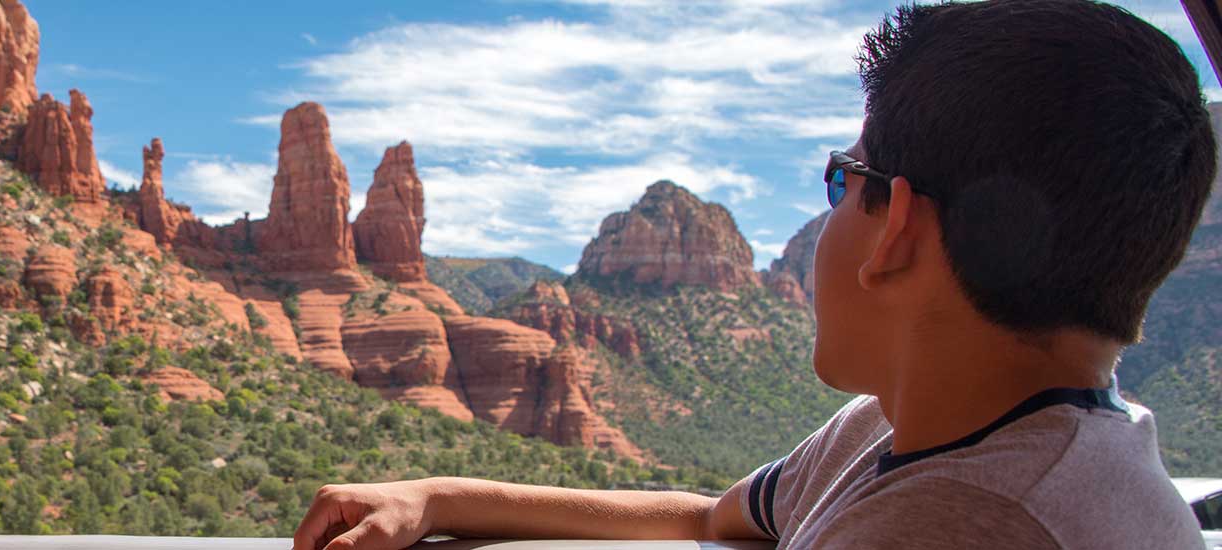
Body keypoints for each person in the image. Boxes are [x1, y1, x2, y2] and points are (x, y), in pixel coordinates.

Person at [292, 1, 1213, 548]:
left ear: (893, 225)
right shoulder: (919, 427)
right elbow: (711, 518)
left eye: (839, 179)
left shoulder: (962, 523)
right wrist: (435, 496)